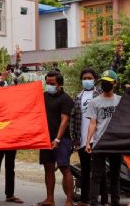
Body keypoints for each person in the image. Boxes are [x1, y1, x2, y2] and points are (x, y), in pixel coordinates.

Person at [69, 69, 108, 206]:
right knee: (85, 170)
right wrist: (74, 138)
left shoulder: (100, 94)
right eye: (84, 78)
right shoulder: (78, 97)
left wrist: (117, 57)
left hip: (97, 139)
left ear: (94, 79)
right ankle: (84, 200)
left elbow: (111, 73)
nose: (86, 80)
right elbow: (73, 119)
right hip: (82, 141)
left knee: (100, 171)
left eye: (89, 78)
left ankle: (104, 200)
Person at [37, 71, 74, 206]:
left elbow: (64, 121)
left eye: (52, 84)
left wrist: (57, 139)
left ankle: (69, 200)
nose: (49, 86)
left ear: (60, 84)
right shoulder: (43, 97)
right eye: (47, 83)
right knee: (48, 168)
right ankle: (49, 199)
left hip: (62, 140)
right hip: (45, 139)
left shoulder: (66, 99)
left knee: (65, 168)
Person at [85, 70, 122, 206]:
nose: (105, 84)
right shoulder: (95, 102)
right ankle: (94, 203)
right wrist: (88, 142)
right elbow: (93, 123)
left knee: (115, 176)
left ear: (115, 83)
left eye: (108, 82)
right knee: (96, 175)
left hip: (116, 143)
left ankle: (115, 203)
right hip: (100, 142)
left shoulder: (120, 100)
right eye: (104, 82)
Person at [0, 73, 23, 206]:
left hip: (11, 137)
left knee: (10, 166)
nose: (1, 82)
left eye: (2, 80)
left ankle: (10, 194)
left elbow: (19, 92)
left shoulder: (11, 98)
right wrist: (0, 82)